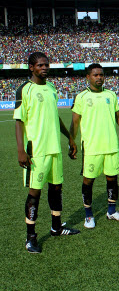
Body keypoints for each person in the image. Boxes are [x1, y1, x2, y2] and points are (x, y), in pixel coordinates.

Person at [14, 52, 80, 254]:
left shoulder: (52, 88)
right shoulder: (24, 89)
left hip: (54, 149)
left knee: (56, 189)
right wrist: (20, 150)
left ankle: (56, 227)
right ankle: (30, 237)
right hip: (37, 151)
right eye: (40, 65)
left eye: (46, 64)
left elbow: (55, 116)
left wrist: (69, 137)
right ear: (31, 67)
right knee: (35, 193)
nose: (45, 68)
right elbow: (19, 121)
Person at [70, 63, 119, 229]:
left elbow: (117, 116)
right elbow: (75, 121)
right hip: (92, 148)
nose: (99, 78)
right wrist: (72, 141)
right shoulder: (82, 97)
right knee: (88, 181)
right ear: (88, 77)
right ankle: (89, 215)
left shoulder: (111, 95)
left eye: (101, 75)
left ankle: (111, 211)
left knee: (112, 179)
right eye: (95, 75)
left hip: (111, 146)